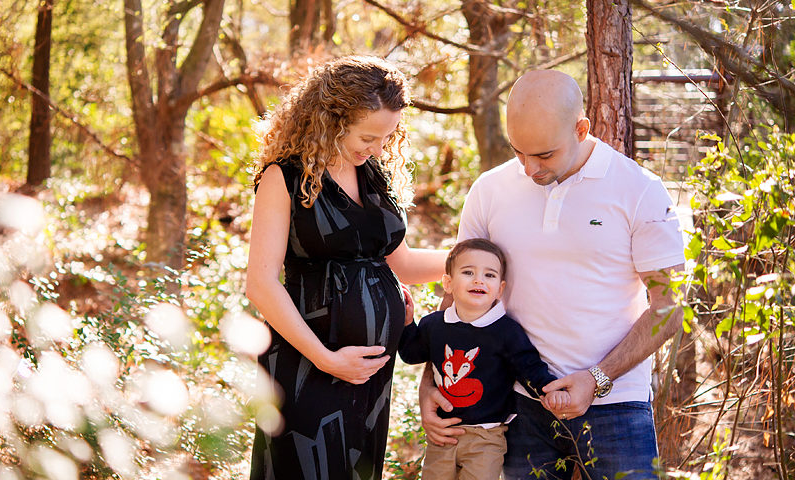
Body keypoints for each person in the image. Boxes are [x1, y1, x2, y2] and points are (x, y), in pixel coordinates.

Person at [419, 70, 685, 480]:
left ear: (581, 129)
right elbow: (458, 299)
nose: (528, 168)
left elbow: (669, 309)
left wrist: (596, 379)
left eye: (544, 155)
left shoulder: (640, 190)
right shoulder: (489, 190)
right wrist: (430, 386)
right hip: (517, 405)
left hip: (616, 405)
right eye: (518, 152)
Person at [245, 55, 448, 480]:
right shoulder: (284, 177)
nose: (377, 149)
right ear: (332, 119)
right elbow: (261, 285)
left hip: (370, 374)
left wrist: (469, 260)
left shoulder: (373, 176)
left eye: (386, 138)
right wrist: (326, 359)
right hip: (308, 362)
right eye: (368, 136)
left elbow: (404, 264)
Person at [399, 238, 569, 480]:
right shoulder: (434, 325)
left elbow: (529, 367)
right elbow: (411, 354)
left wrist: (551, 390)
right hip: (443, 435)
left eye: (489, 275)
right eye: (468, 272)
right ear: (448, 283)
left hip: (486, 437)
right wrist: (407, 324)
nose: (479, 280)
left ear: (500, 289)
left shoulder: (506, 332)